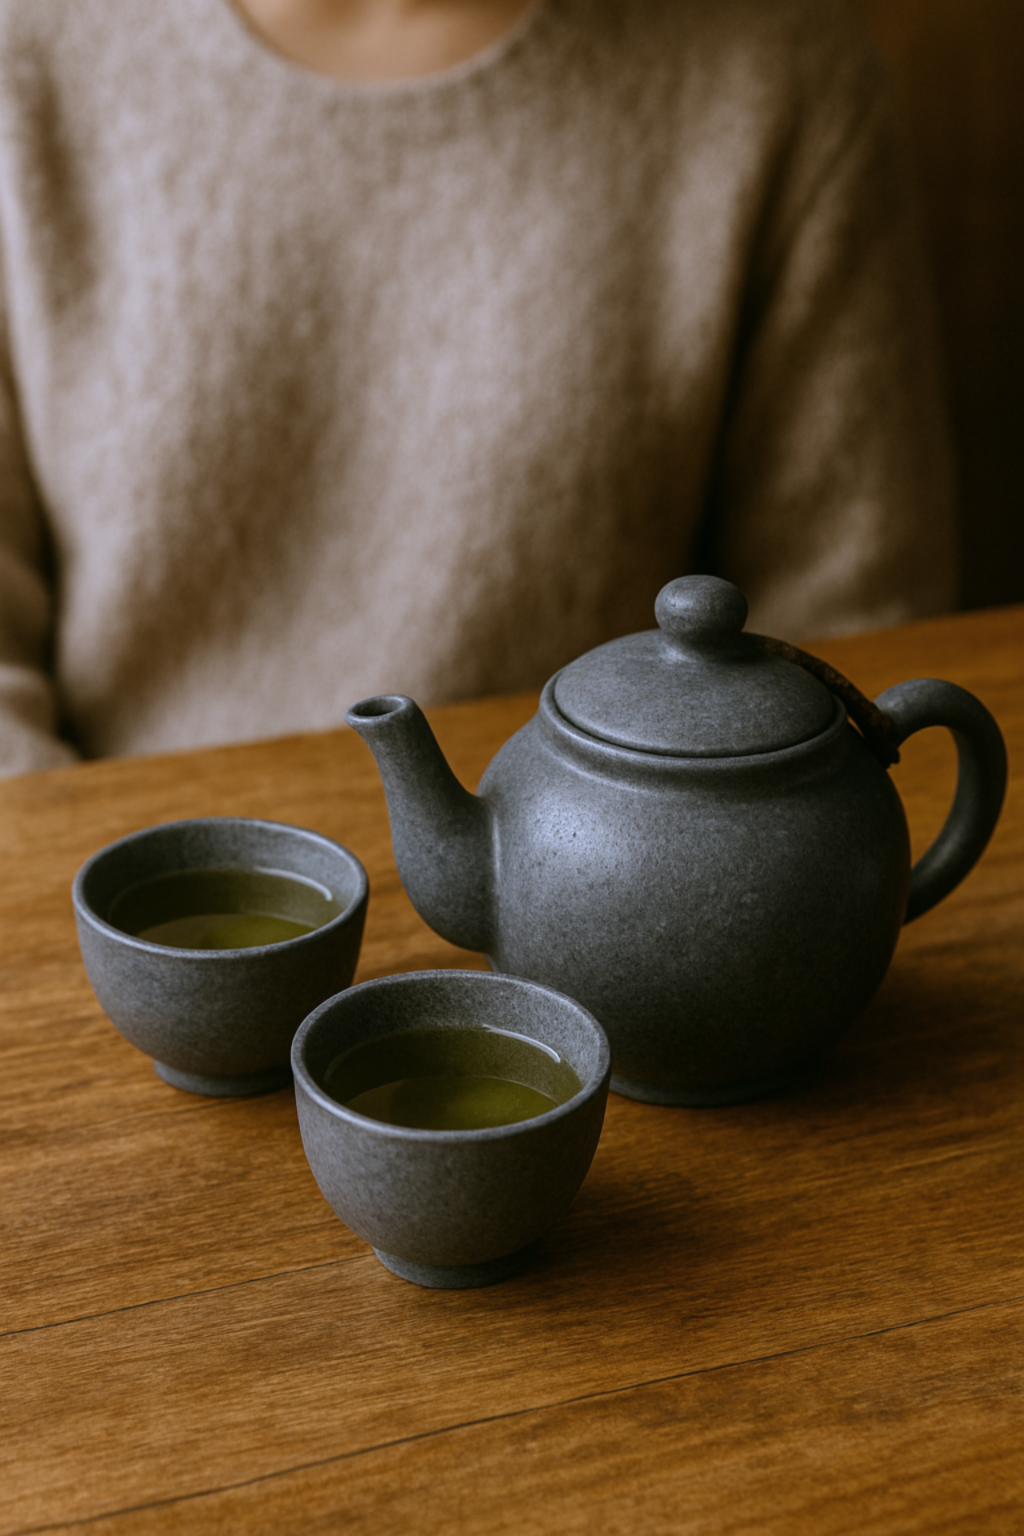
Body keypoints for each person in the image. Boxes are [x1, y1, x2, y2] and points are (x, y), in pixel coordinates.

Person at [0, 0, 956, 776]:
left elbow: (848, 634)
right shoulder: (30, 56)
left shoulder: (778, 65)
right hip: (127, 918)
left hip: (603, 938)